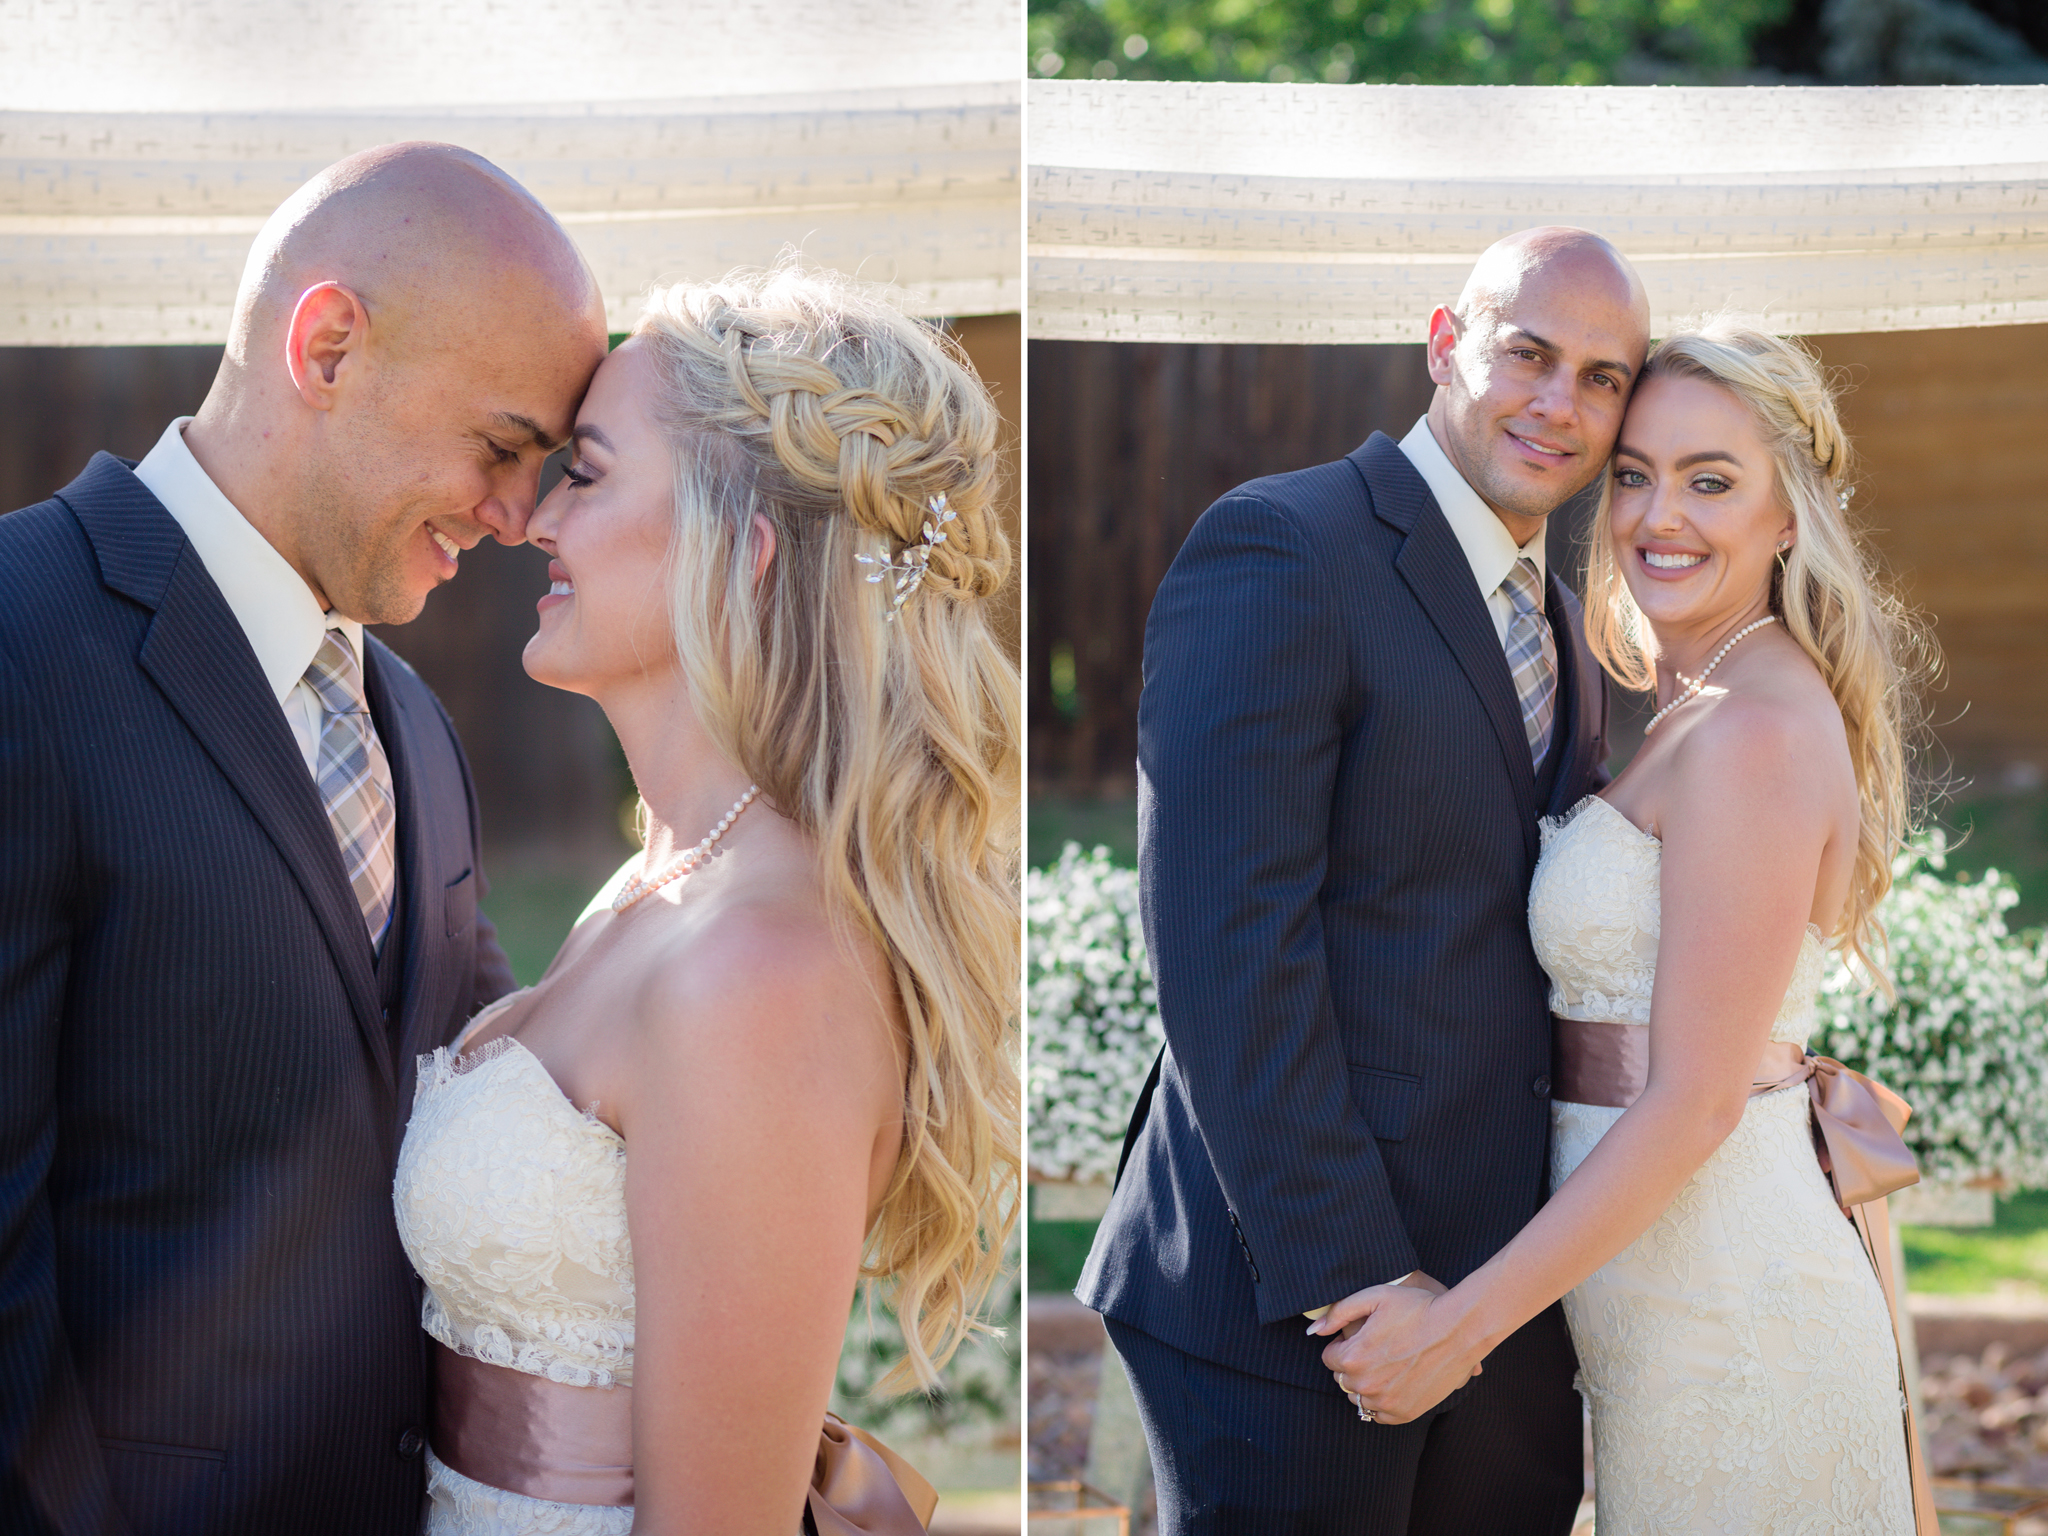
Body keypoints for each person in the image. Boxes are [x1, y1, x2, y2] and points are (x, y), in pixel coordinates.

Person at [0, 142, 609, 1534]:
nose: (520, 518)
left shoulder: (411, 723)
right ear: (327, 345)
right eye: (504, 445)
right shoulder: (16, 638)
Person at [392, 264, 1022, 1534]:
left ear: (744, 548)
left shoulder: (761, 976)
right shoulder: (654, 883)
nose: (530, 520)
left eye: (587, 472)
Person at [1318, 323, 1937, 1534]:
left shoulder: (1749, 730)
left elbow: (1694, 1100)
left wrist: (1456, 1328)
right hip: (1655, 1316)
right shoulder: (1689, 706)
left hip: (1734, 1322)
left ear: (1787, 515)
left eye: (1710, 481)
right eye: (1636, 475)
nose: (1660, 515)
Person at [1075, 227, 1648, 1534]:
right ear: (1446, 344)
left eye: (1603, 378)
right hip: (1296, 1307)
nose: (1561, 404)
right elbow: (1227, 953)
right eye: (1530, 354)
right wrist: (1357, 1287)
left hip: (1495, 1310)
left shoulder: (1560, 620)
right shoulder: (1283, 547)